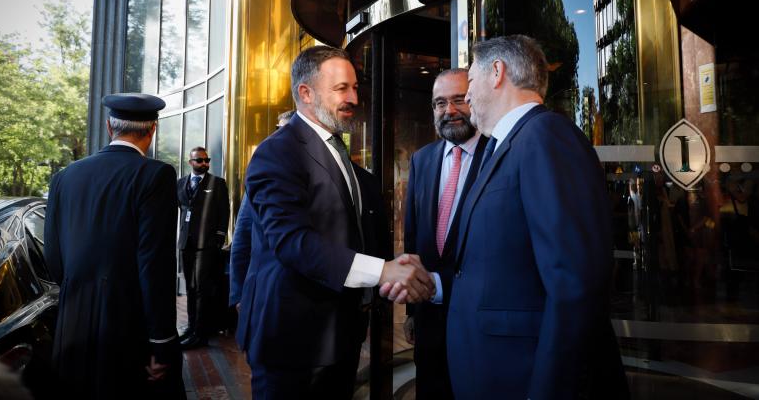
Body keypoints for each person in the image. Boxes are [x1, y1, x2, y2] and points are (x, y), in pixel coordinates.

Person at [236, 46, 435, 399]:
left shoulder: (344, 157)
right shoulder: (277, 152)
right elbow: (292, 242)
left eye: (355, 88)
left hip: (341, 336)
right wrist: (383, 271)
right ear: (306, 93)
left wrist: (391, 274)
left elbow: (356, 235)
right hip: (292, 342)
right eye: (341, 88)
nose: (354, 98)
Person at [446, 36, 627, 399]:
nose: (466, 98)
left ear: (497, 72)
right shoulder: (506, 146)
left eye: (471, 81)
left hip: (526, 378)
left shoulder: (546, 137)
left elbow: (574, 285)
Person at [43, 93, 184, 399]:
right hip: (127, 323)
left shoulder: (64, 177)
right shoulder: (156, 174)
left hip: (73, 323)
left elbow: (52, 256)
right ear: (152, 130)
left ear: (109, 127)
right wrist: (161, 342)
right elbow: (155, 263)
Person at [403, 68, 488, 399]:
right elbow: (413, 238)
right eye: (440, 103)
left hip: (478, 323)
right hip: (429, 322)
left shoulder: (499, 155)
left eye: (458, 100)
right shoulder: (422, 160)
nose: (449, 110)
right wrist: (412, 310)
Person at [229, 110, 293, 313]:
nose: (279, 137)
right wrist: (239, 293)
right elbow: (242, 237)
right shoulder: (263, 173)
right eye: (277, 130)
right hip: (267, 296)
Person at [177, 146, 230, 349]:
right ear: (191, 162)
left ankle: (201, 334)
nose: (204, 163)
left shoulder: (217, 184)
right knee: (190, 287)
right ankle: (191, 328)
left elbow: (224, 213)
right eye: (199, 160)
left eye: (206, 160)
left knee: (201, 289)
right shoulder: (181, 183)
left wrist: (217, 240)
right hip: (186, 244)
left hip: (206, 246)